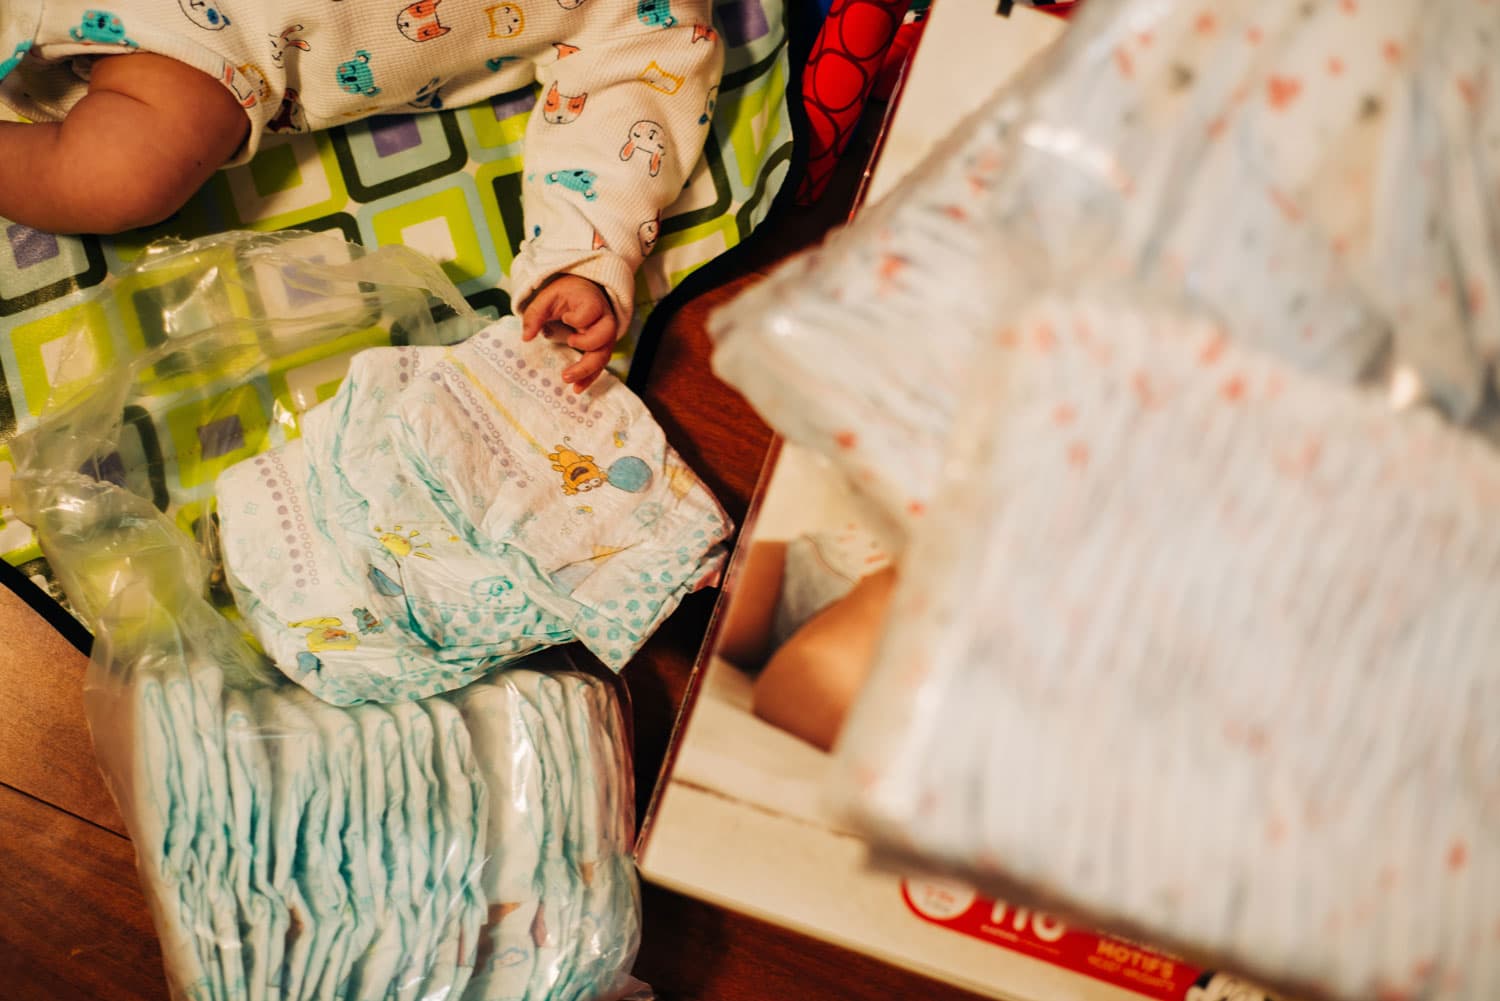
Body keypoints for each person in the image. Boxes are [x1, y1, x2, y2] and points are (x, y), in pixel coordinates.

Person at [0, 1, 722, 390]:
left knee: (126, 176)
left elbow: (630, 99)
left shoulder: (645, 12)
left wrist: (580, 251)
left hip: (200, 44)